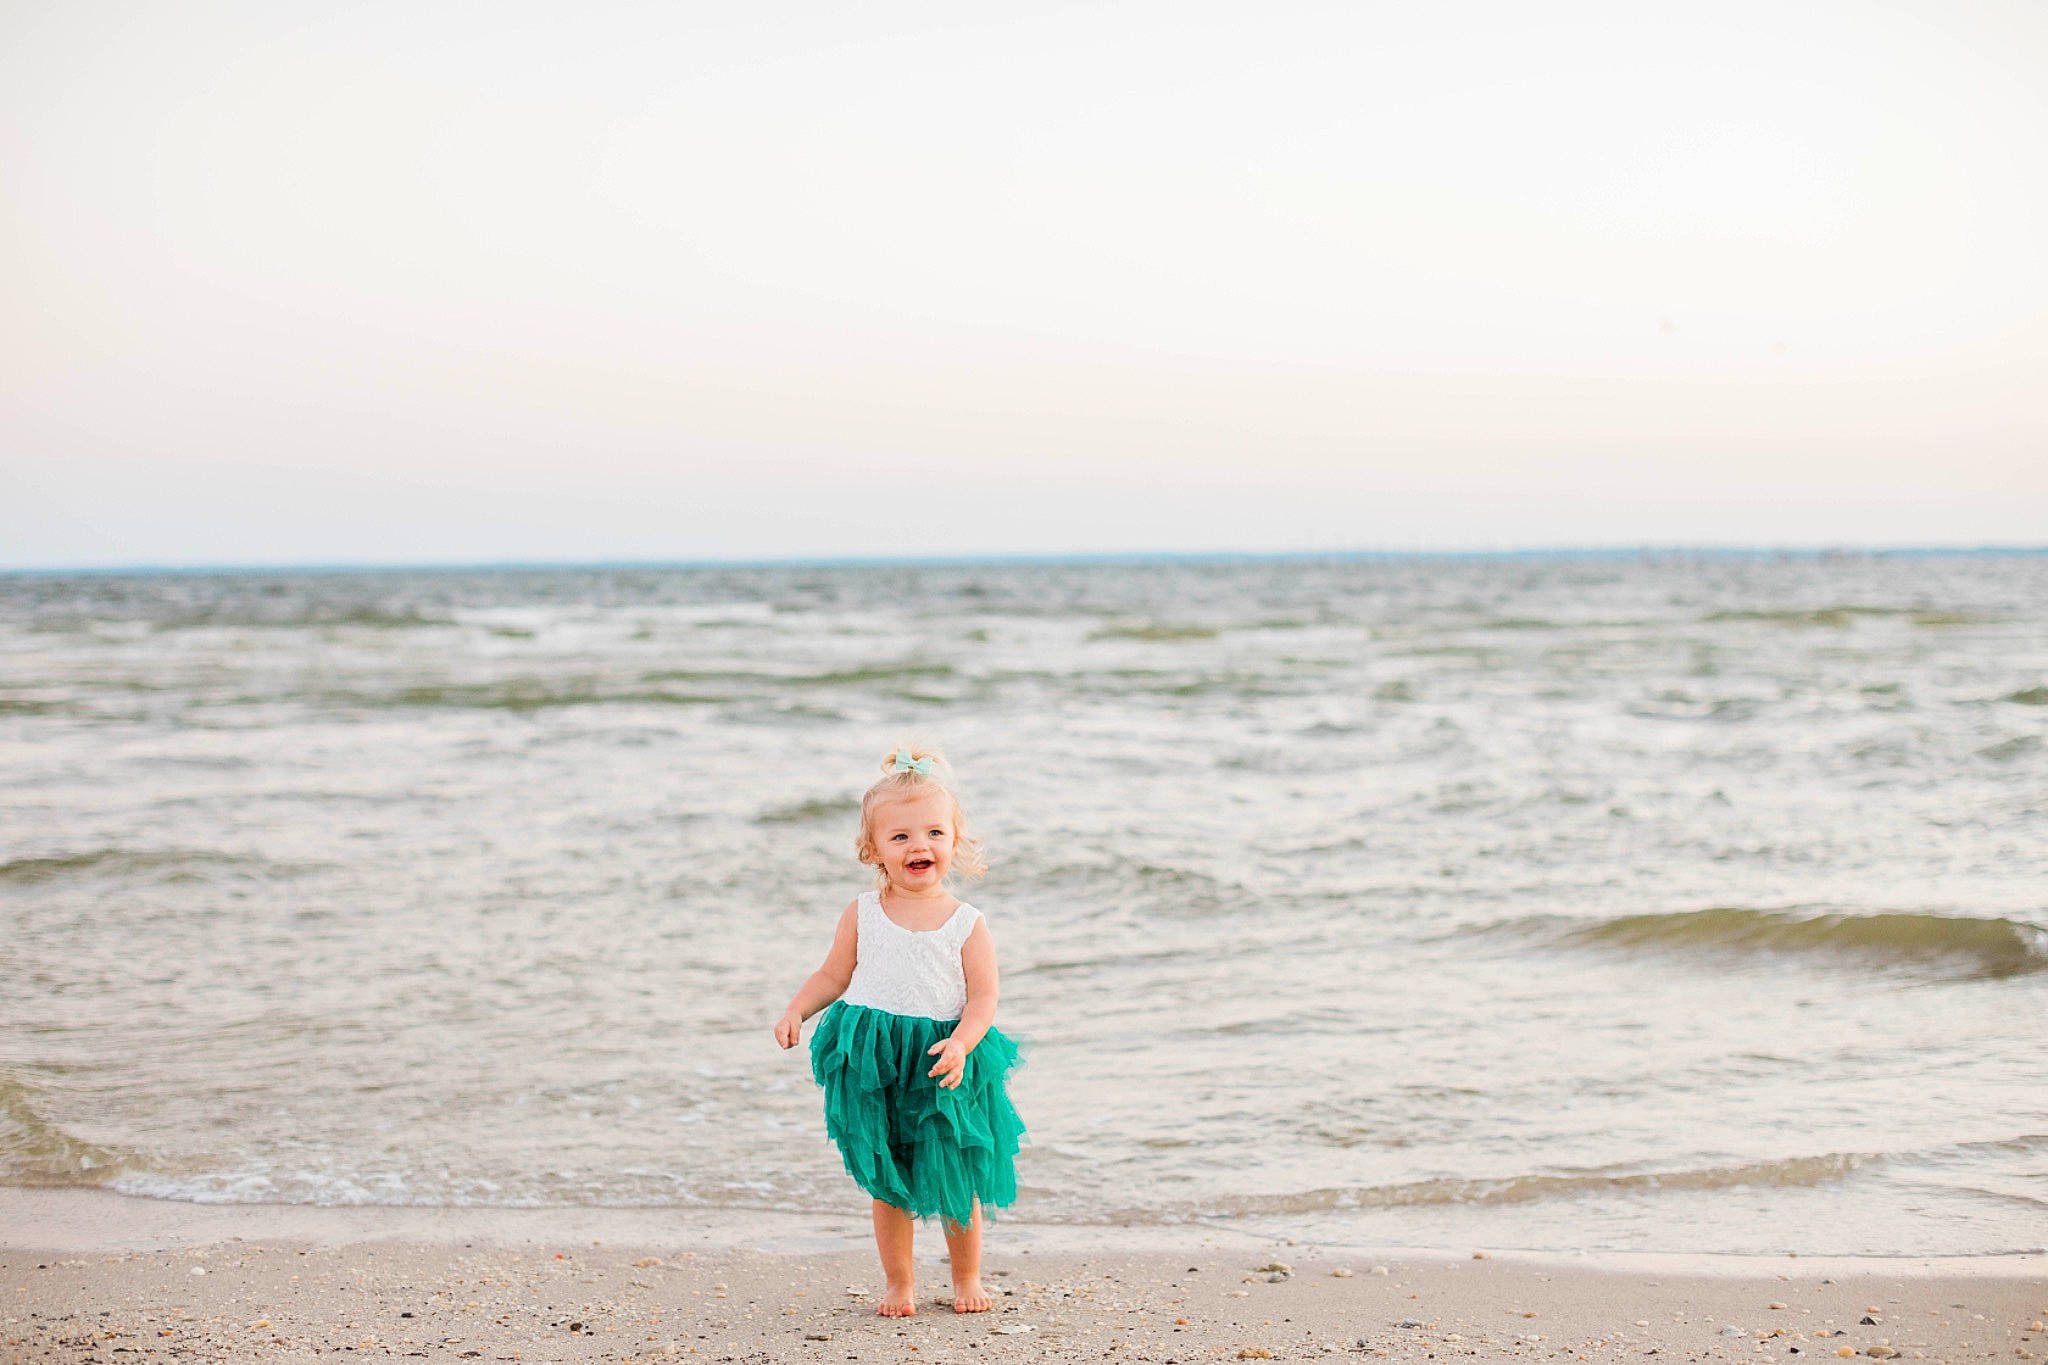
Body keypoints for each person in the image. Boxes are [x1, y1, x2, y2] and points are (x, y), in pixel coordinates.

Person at [772, 746, 1027, 1317]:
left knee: (956, 1170)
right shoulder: (862, 912)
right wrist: (797, 1009)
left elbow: (984, 998)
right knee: (886, 1175)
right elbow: (833, 975)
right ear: (873, 851)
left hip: (944, 1055)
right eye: (901, 837)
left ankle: (966, 1277)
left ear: (955, 842)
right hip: (873, 1057)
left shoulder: (966, 922)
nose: (920, 845)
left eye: (935, 832)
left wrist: (963, 1042)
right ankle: (900, 1283)